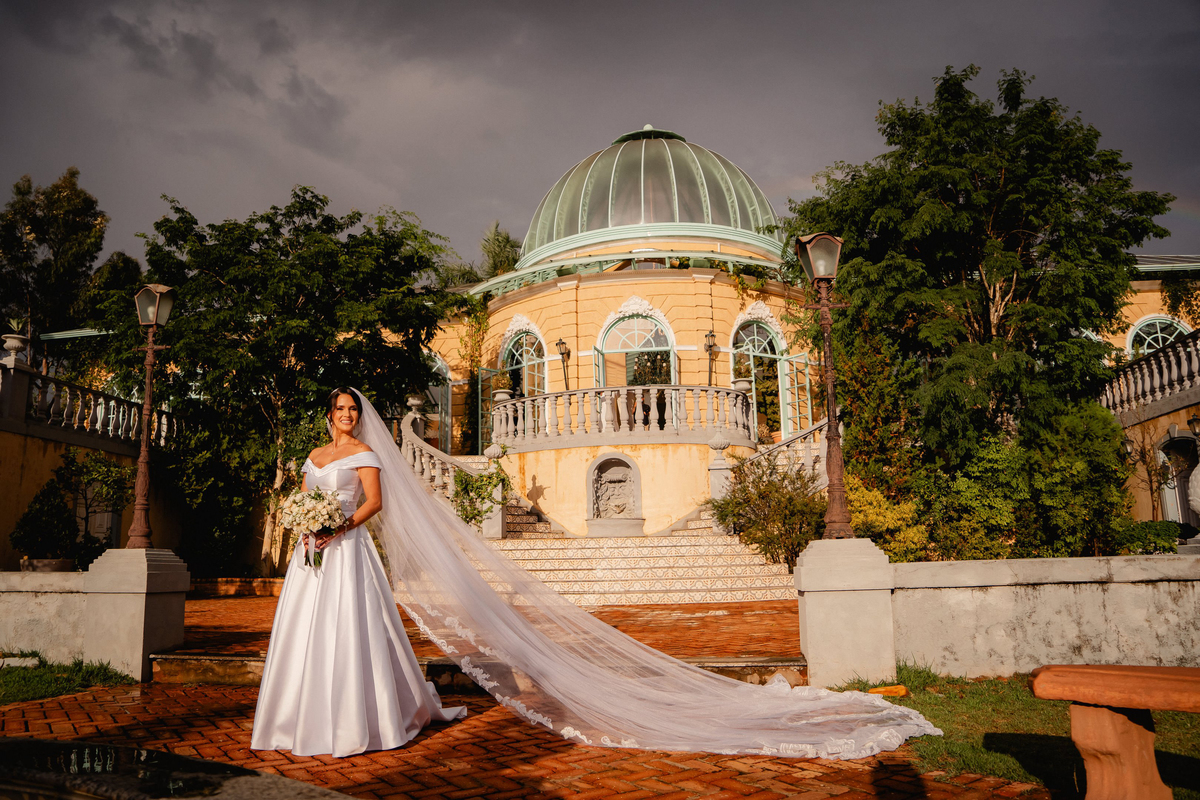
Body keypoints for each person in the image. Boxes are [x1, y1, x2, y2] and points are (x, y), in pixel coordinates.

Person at [250, 388, 466, 757]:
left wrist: (338, 528)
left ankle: (360, 716)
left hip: (347, 549)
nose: (346, 414)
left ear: (359, 416)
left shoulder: (364, 453)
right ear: (330, 414)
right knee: (304, 627)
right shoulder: (314, 456)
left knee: (348, 624)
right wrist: (306, 532)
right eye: (340, 408)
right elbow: (303, 499)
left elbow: (375, 502)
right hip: (310, 553)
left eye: (352, 409)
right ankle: (297, 716)